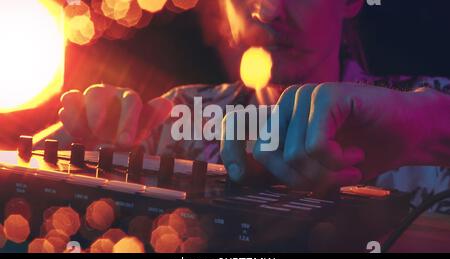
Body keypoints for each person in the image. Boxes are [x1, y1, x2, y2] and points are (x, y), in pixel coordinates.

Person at [56, 0, 450, 212]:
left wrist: (428, 124)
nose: (270, 10)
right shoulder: (175, 116)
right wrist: (88, 149)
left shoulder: (428, 106)